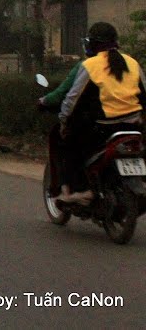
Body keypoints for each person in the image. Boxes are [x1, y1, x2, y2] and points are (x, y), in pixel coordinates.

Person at [54, 22, 145, 205]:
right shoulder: (132, 63)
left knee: (67, 144)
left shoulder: (90, 65)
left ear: (92, 43)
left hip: (101, 129)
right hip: (132, 126)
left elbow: (72, 99)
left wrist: (63, 121)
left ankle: (78, 190)